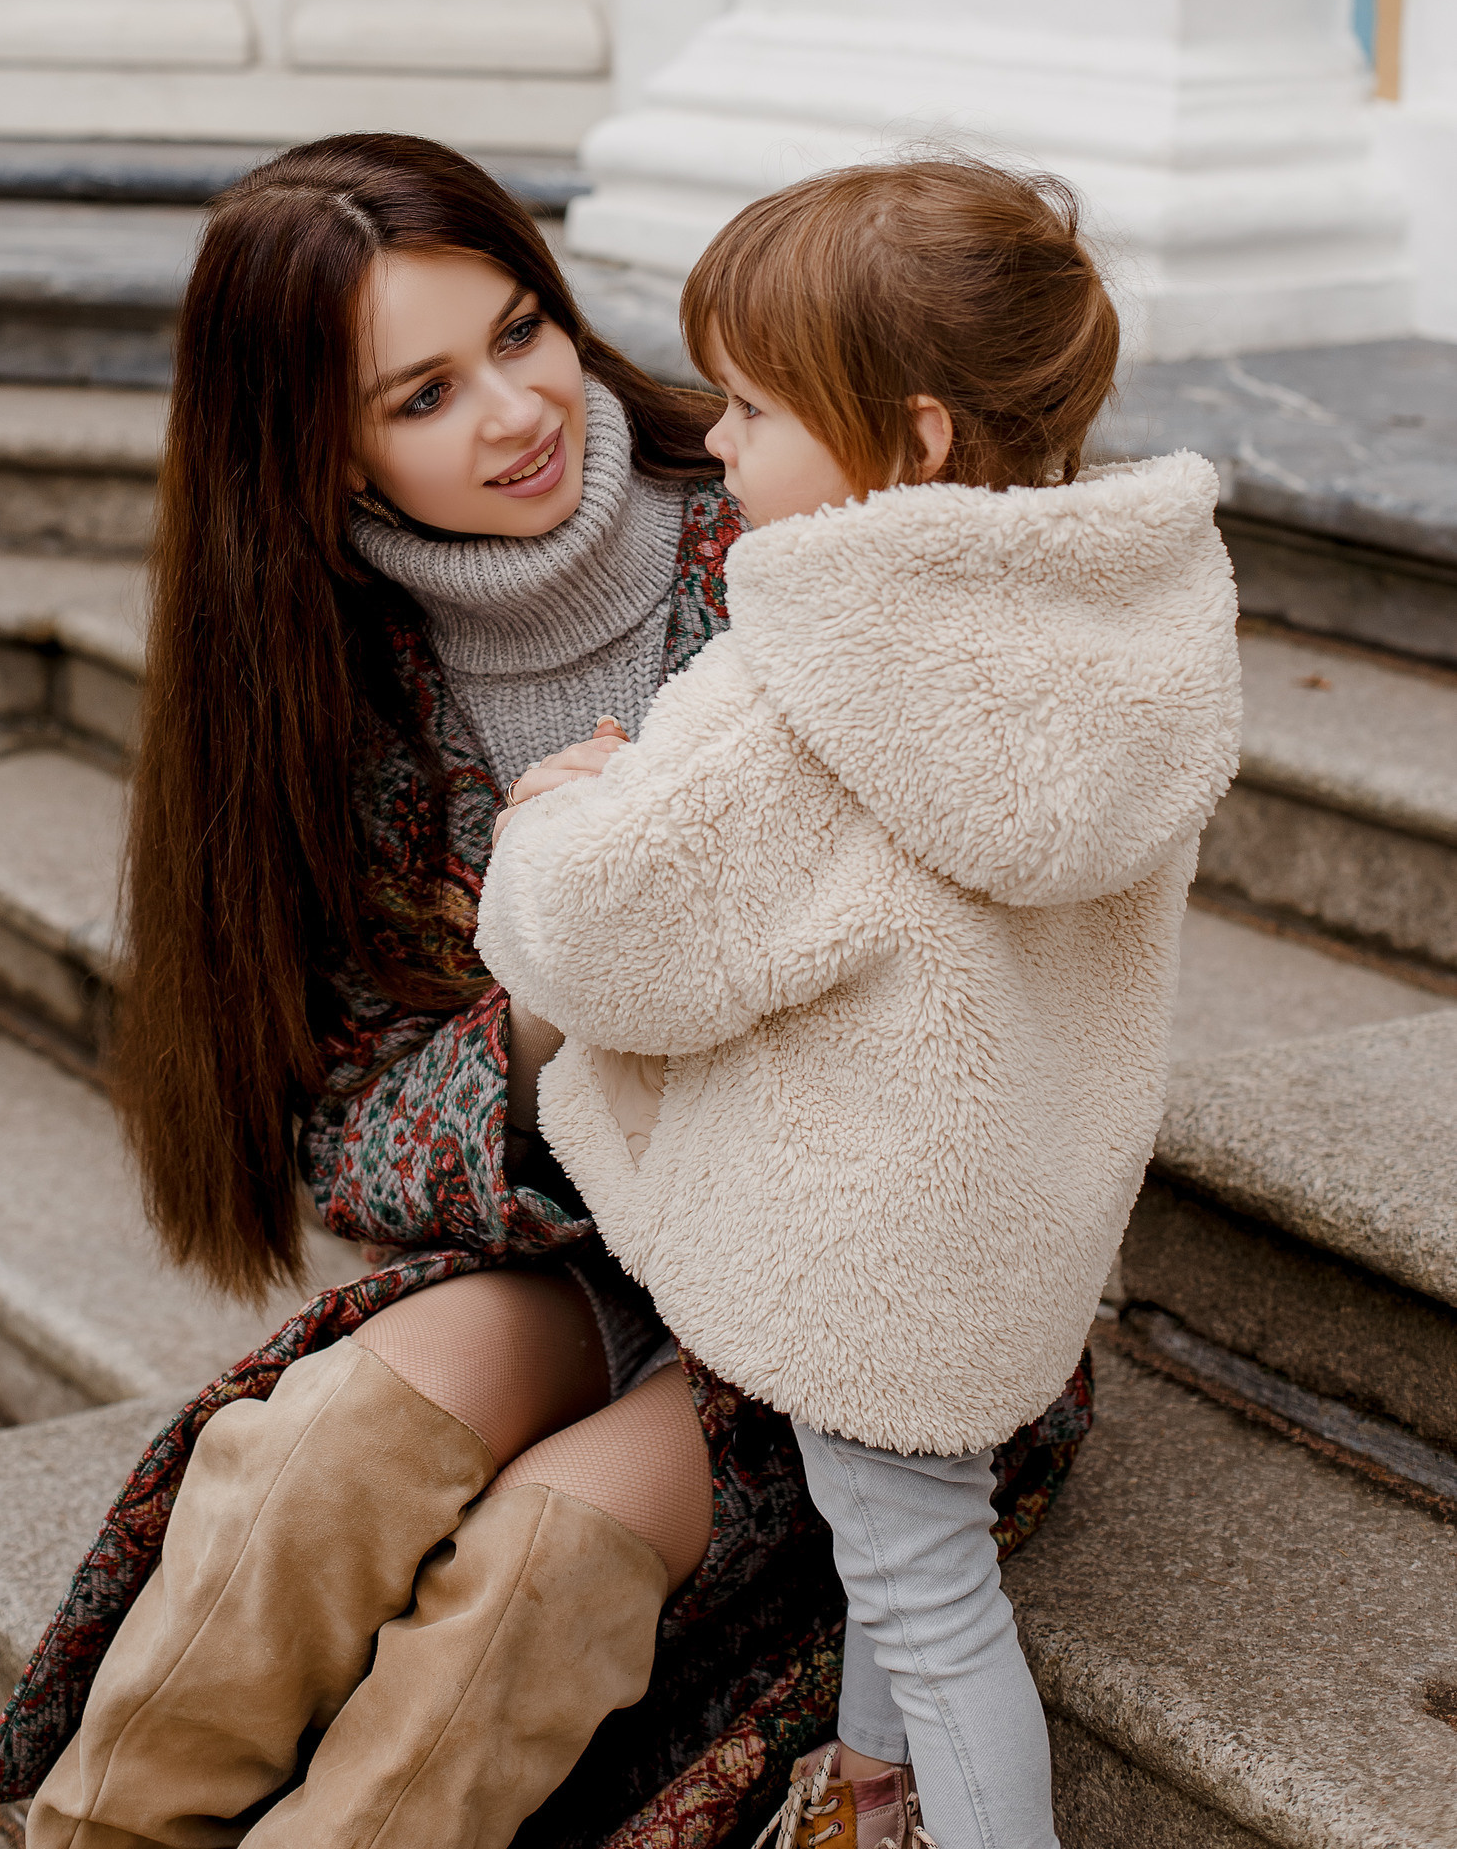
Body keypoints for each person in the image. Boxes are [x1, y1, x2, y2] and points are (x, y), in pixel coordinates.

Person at [0, 136, 1097, 1849]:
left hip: (854, 1284)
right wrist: (547, 1001)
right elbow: (347, 1141)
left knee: (530, 1569)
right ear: (312, 449)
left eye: (521, 330)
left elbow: (1012, 939)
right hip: (580, 1236)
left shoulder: (812, 516)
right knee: (310, 1465)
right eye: (421, 394)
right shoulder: (316, 693)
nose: (515, 410)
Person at [477, 160, 1241, 1849]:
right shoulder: (1121, 632)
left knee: (920, 1581)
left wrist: (548, 822)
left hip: (864, 1237)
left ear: (913, 438)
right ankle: (873, 1803)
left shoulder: (812, 671)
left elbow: (607, 939)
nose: (718, 440)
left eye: (750, 405)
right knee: (913, 1541)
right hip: (1006, 1210)